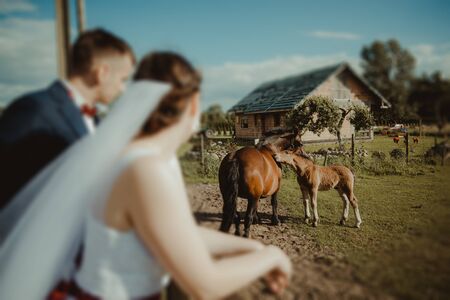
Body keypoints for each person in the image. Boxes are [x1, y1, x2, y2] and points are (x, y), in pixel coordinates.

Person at [0, 52, 292, 299]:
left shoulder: (151, 158)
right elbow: (205, 283)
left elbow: (180, 232)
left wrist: (251, 246)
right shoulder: (145, 169)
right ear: (192, 105)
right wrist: (272, 256)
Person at [0, 28, 135, 210]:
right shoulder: (35, 110)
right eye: (123, 79)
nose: (122, 89)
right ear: (102, 73)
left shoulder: (97, 122)